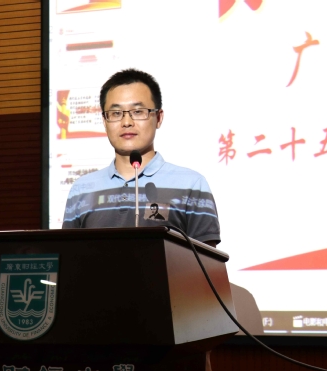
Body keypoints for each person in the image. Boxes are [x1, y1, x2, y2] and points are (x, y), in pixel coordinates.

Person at [61, 68, 220, 247]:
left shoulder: (191, 185)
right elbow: (67, 255)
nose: (126, 122)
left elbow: (206, 261)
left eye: (138, 111)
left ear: (158, 118)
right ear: (105, 121)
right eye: (116, 113)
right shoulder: (81, 190)